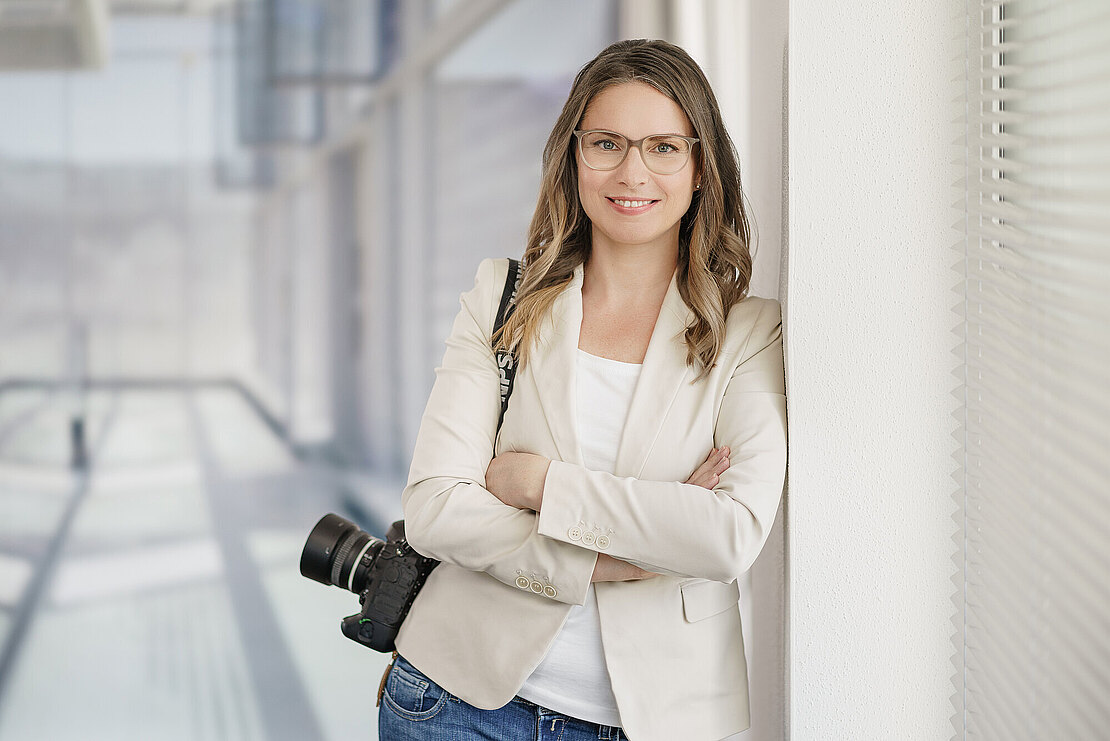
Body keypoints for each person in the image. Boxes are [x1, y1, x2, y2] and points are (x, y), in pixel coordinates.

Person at [379, 39, 787, 741]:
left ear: (700, 168)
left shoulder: (748, 333)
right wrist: (616, 558)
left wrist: (543, 484)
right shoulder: (501, 298)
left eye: (664, 146)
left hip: (664, 718)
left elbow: (727, 535)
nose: (633, 171)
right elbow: (436, 508)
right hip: (456, 702)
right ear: (573, 156)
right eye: (607, 143)